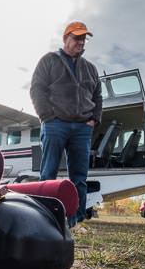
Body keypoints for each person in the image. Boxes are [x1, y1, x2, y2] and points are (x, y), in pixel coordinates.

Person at [30, 21, 102, 228]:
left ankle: (76, 219)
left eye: (83, 38)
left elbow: (98, 95)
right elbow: (36, 89)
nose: (81, 42)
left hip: (82, 128)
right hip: (55, 125)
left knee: (79, 177)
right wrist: (47, 117)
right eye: (77, 38)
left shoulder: (90, 68)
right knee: (48, 173)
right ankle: (44, 218)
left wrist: (93, 119)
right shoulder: (49, 61)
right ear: (65, 39)